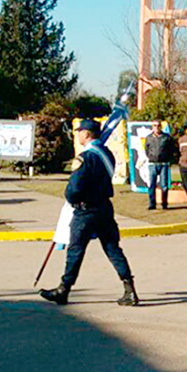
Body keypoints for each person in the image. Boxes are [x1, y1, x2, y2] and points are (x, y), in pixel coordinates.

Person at [39, 119, 138, 306]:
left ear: (86, 134)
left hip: (85, 211)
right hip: (104, 208)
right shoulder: (106, 153)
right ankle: (129, 288)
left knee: (75, 251)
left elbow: (74, 188)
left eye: (79, 132)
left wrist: (71, 199)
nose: (77, 135)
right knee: (112, 248)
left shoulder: (85, 157)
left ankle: (64, 289)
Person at [145, 120, 175, 210]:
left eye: (158, 125)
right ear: (152, 127)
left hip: (163, 164)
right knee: (151, 185)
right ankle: (152, 204)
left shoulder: (166, 137)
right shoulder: (149, 138)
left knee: (164, 186)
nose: (156, 127)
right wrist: (151, 157)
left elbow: (171, 149)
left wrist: (168, 159)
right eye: (154, 125)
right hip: (152, 164)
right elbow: (146, 149)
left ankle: (164, 204)